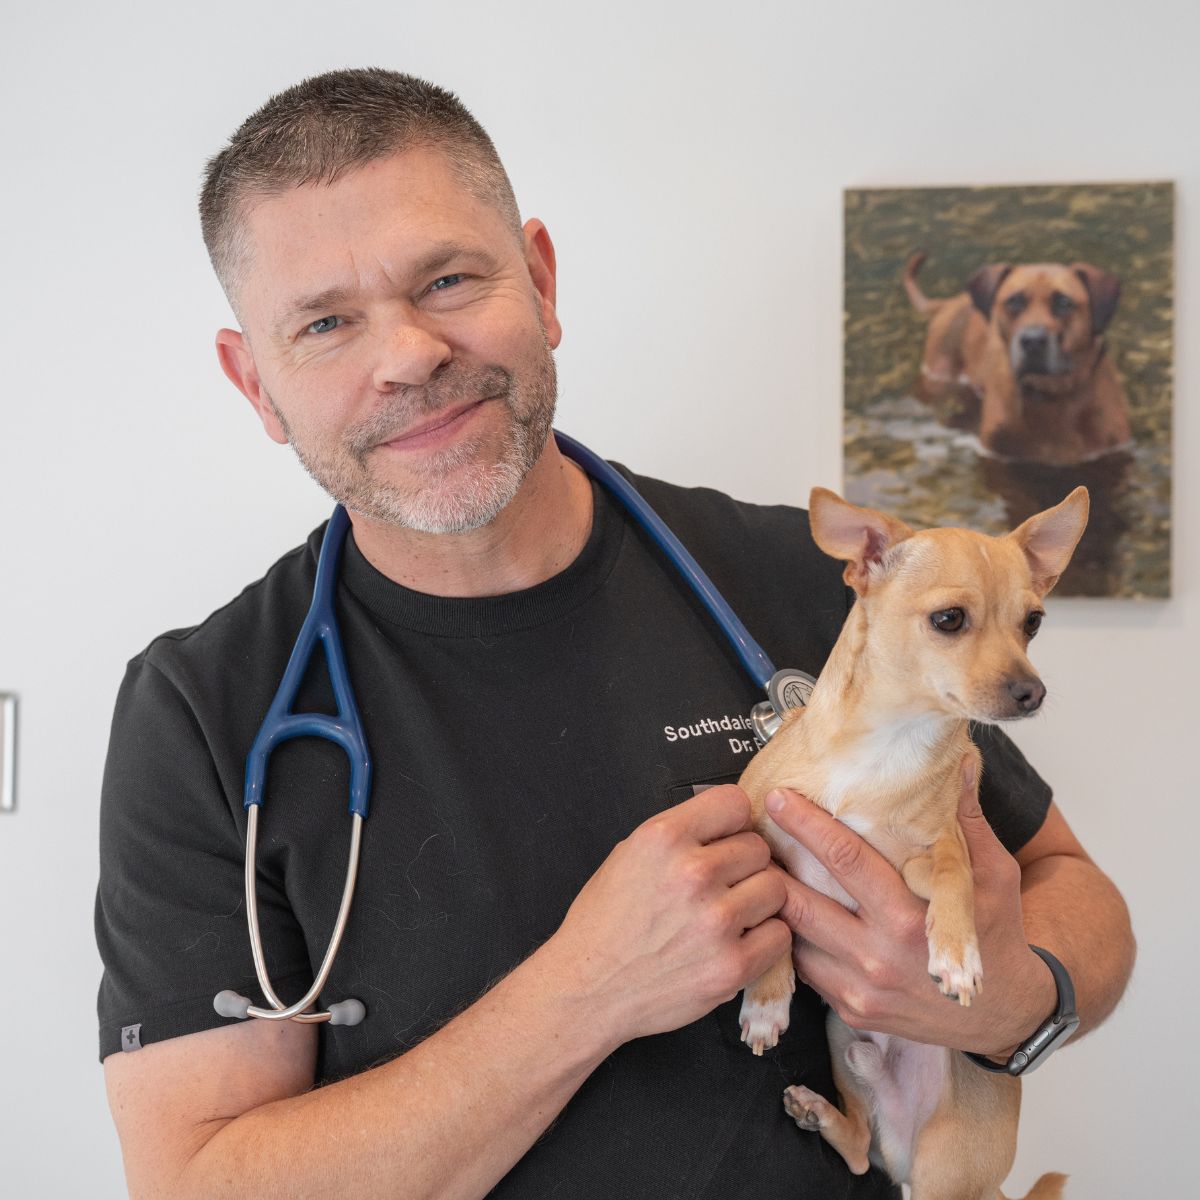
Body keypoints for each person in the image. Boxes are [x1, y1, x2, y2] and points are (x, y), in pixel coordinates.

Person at [96, 69, 1135, 1199]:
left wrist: (1013, 997)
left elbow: (1069, 885)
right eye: (327, 322)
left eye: (447, 279)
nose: (406, 355)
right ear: (258, 385)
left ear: (540, 282)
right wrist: (586, 991)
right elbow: (197, 1179)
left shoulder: (825, 586)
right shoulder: (203, 714)